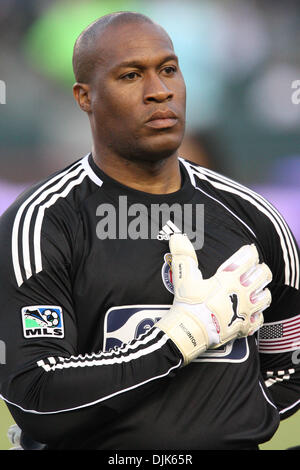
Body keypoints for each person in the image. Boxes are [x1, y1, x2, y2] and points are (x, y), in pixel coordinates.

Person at [0, 11, 299, 451]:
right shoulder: (43, 222)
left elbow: (287, 363)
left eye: (168, 70)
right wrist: (180, 337)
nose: (159, 91)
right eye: (130, 75)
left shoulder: (253, 215)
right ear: (85, 97)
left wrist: (226, 422)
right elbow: (35, 392)